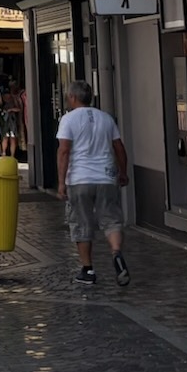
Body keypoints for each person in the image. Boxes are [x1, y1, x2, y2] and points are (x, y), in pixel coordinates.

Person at [56, 81, 130, 287]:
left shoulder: (68, 119)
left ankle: (88, 269)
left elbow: (64, 151)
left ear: (72, 97)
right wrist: (123, 172)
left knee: (81, 223)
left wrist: (61, 183)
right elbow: (119, 148)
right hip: (106, 178)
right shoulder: (106, 118)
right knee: (112, 220)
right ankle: (116, 252)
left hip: (79, 178)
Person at [1, 79, 26, 158]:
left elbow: (19, 108)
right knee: (5, 137)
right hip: (6, 120)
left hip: (13, 120)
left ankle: (12, 155)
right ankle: (4, 153)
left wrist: (11, 110)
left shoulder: (16, 97)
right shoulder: (4, 98)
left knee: (12, 138)